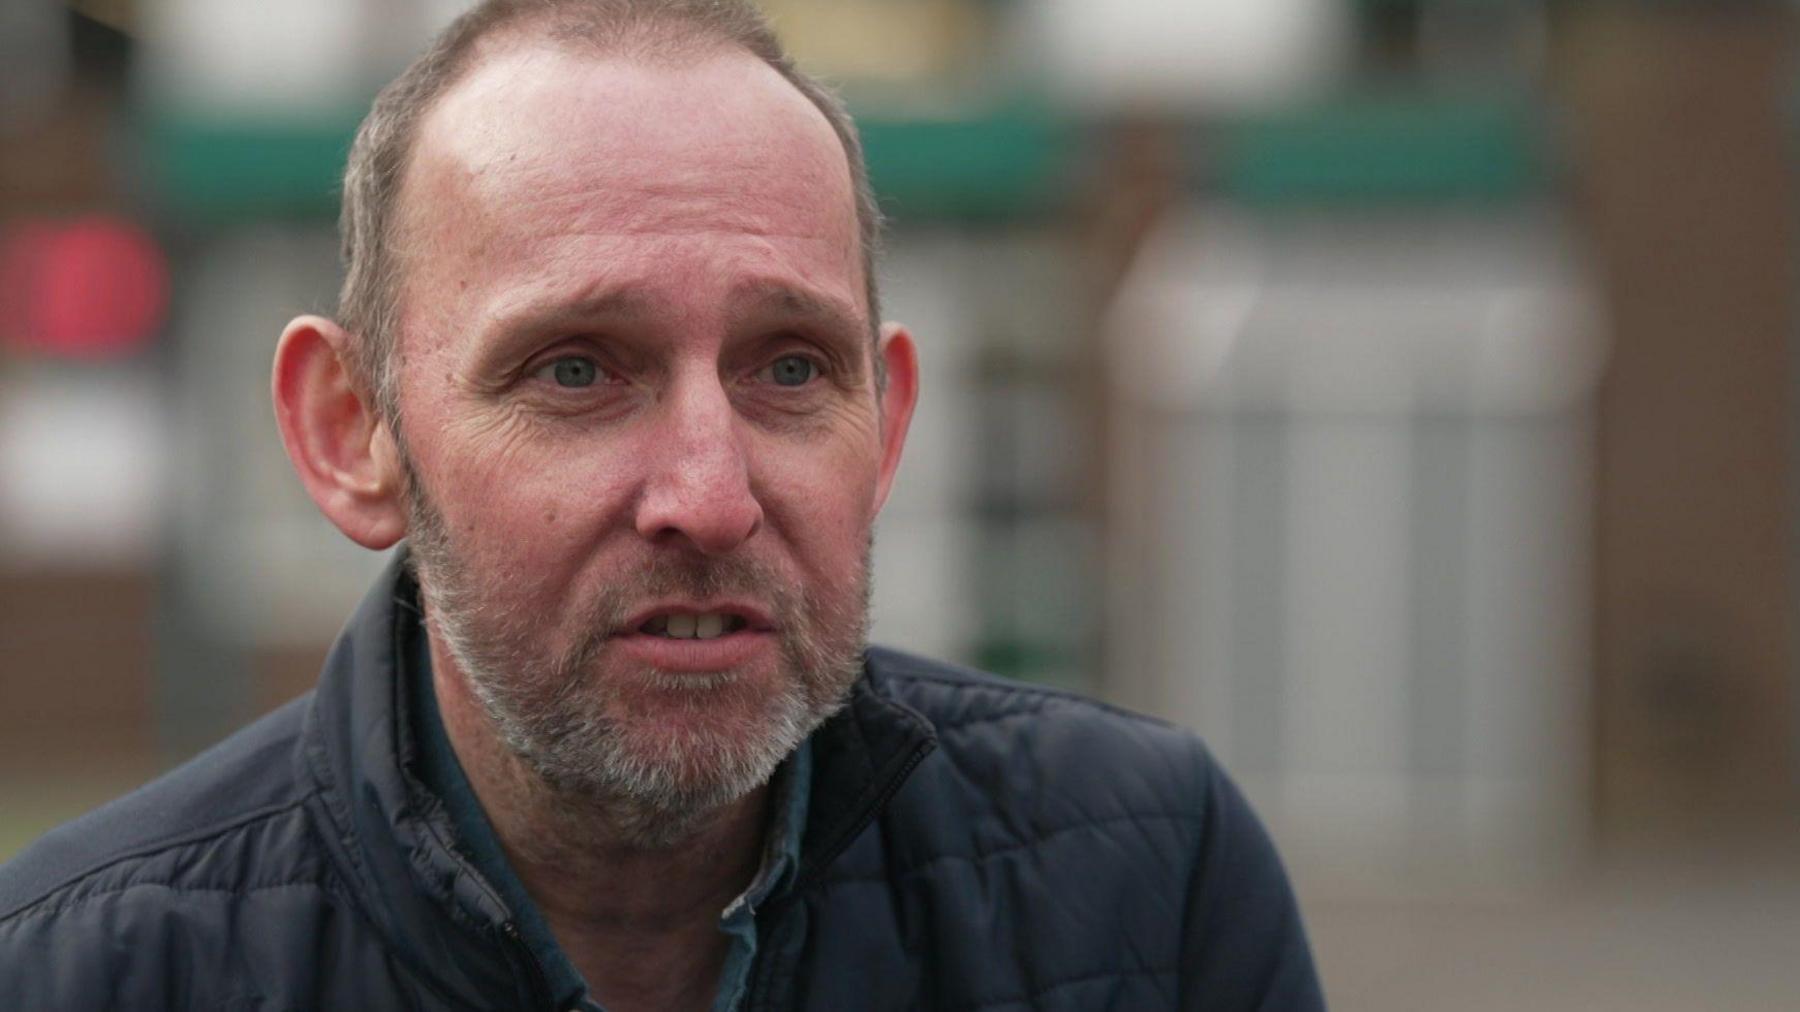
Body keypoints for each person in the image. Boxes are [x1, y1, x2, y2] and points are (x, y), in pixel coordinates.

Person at [0, 1, 1324, 1008]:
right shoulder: (81, 971)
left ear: (890, 426)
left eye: (792, 369)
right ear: (355, 434)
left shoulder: (1148, 889)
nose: (711, 495)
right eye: (577, 370)